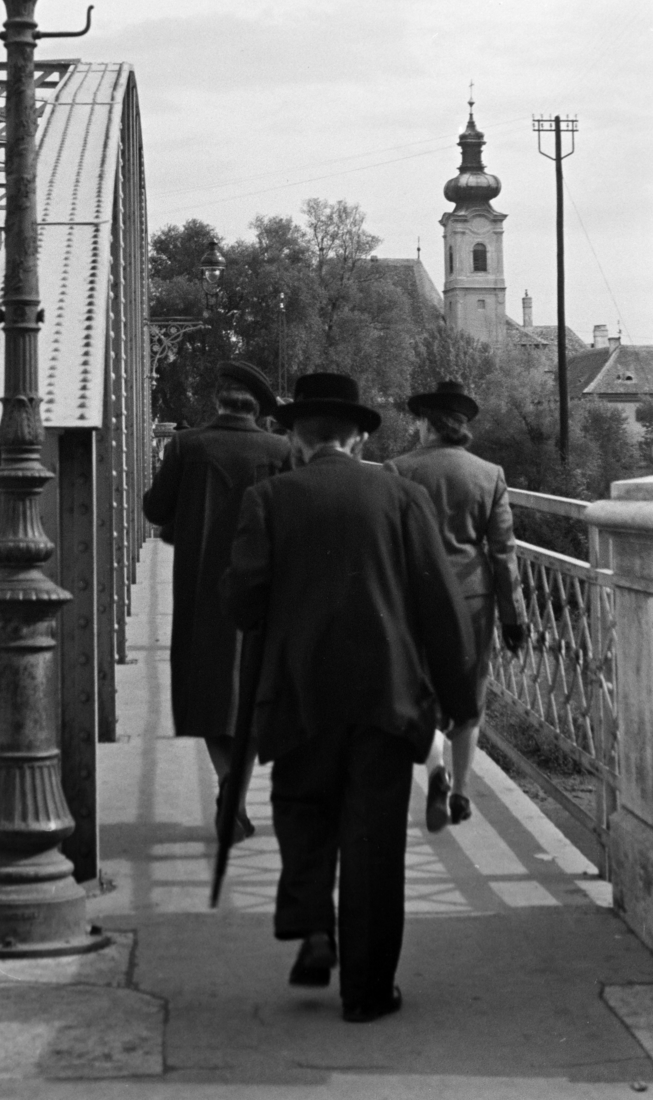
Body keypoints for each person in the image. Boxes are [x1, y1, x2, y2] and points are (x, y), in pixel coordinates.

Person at [221, 372, 477, 1023]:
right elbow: (438, 605)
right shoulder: (401, 495)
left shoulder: (266, 498)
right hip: (385, 697)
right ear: (360, 435)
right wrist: (456, 698)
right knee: (372, 843)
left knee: (302, 812)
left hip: (299, 694)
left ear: (294, 437)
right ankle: (365, 992)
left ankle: (312, 926)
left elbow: (242, 603)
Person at [143, 361, 291, 840]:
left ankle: (228, 782)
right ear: (258, 408)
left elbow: (155, 508)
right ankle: (237, 793)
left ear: (216, 400)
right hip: (261, 595)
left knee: (207, 693)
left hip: (202, 590)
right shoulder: (280, 451)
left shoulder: (187, 446)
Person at [387, 379, 528, 830]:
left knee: (420, 691)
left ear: (427, 425)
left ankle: (436, 772)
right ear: (461, 428)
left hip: (413, 597)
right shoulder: (490, 474)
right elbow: (504, 553)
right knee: (470, 697)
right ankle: (463, 792)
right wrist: (514, 618)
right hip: (471, 600)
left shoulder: (396, 470)